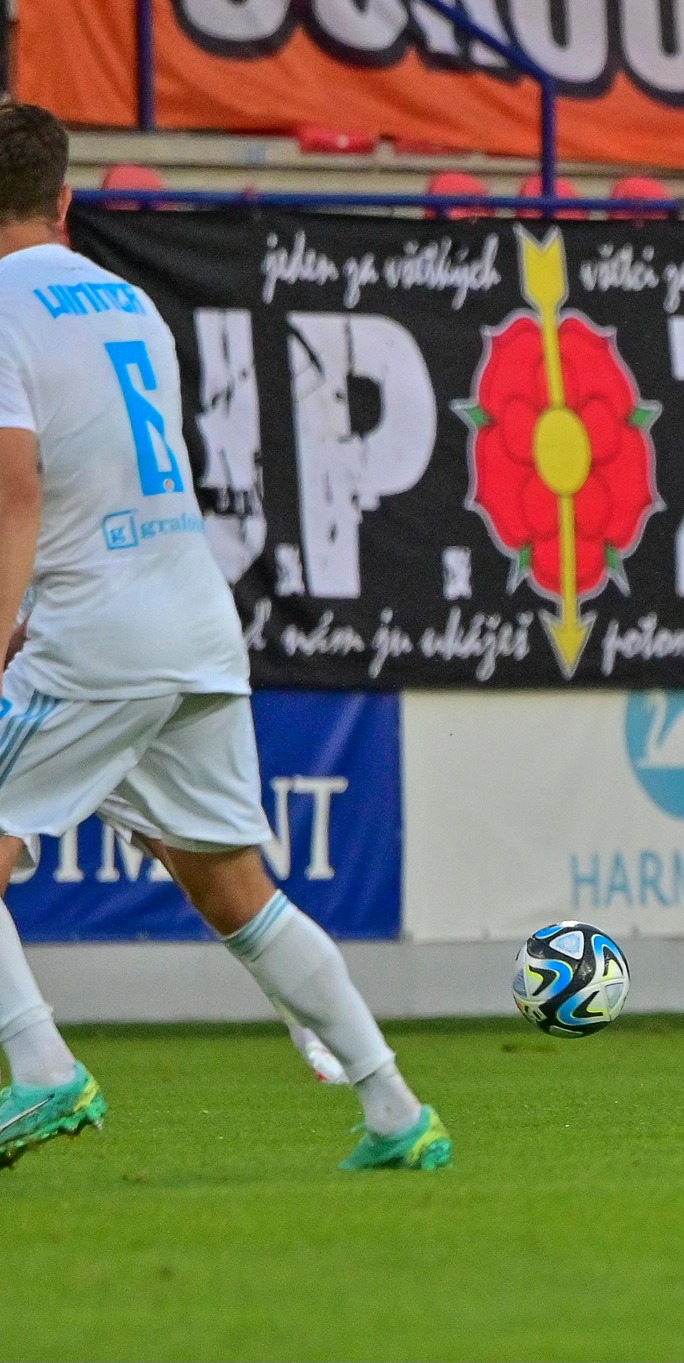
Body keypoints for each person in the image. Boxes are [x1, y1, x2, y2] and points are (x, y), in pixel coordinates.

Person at [0, 104, 449, 1169]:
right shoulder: (130, 303)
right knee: (234, 889)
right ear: (65, 201)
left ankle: (43, 1069)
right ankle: (395, 1108)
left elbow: (17, 488)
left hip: (96, 626)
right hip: (194, 617)